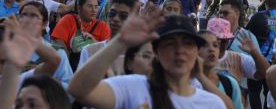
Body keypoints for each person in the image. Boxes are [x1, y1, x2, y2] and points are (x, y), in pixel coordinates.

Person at [68, 12, 229, 109]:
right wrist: (120, 42)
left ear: (196, 52)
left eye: (188, 44)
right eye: (170, 44)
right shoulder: (133, 87)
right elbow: (78, 90)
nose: (180, 51)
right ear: (156, 52)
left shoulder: (212, 104)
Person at [246, 0, 276, 109]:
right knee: (269, 90)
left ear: (266, 1)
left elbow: (247, 33)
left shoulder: (259, 16)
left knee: (254, 91)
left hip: (258, 59)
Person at [77, 0, 138, 76]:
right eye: (112, 13)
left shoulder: (142, 56)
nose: (116, 19)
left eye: (123, 16)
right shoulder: (89, 51)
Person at [51, 0, 111, 71]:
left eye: (96, 7)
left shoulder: (102, 26)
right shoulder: (68, 20)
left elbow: (108, 52)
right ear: (79, 8)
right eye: (90, 6)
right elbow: (59, 45)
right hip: (69, 66)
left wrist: (94, 43)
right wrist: (67, 70)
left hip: (94, 69)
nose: (94, 10)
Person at [198, 30, 244, 109]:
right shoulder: (184, 85)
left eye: (215, 45)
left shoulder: (230, 84)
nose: (211, 49)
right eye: (204, 45)